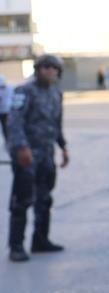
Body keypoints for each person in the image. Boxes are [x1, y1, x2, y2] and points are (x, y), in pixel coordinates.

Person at [7, 55, 69, 262]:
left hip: (47, 155)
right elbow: (14, 122)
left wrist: (63, 146)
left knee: (44, 199)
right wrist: (21, 148)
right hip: (27, 155)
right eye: (45, 67)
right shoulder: (24, 91)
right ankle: (16, 245)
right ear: (38, 69)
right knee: (22, 199)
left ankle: (40, 241)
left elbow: (56, 124)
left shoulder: (56, 93)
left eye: (54, 67)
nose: (49, 71)